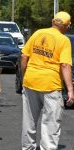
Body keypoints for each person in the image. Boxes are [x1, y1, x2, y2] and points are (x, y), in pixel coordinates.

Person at [21, 11, 74, 150]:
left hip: (30, 81)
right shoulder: (64, 40)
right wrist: (70, 90)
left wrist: (24, 76)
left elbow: (24, 56)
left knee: (29, 120)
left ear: (52, 22)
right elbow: (65, 65)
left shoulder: (38, 33)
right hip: (51, 84)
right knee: (50, 122)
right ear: (67, 26)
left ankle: (27, 148)